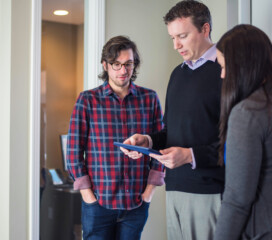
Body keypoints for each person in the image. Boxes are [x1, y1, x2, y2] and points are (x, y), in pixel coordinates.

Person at [121, 1, 224, 239]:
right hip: (175, 187)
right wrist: (147, 141)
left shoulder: (226, 70)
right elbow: (170, 131)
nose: (176, 45)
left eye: (183, 36)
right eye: (172, 38)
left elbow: (238, 142)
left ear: (205, 29)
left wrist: (189, 155)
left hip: (208, 191)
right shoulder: (178, 74)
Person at [66, 35, 165, 240]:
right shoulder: (88, 100)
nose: (123, 70)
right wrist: (88, 196)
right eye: (116, 64)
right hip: (98, 204)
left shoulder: (150, 99)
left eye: (128, 64)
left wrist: (148, 194)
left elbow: (161, 146)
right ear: (105, 65)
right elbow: (74, 152)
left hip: (136, 204)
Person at [213, 24, 272, 240]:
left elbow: (238, 199)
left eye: (224, 66)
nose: (222, 75)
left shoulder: (248, 113)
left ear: (242, 67)